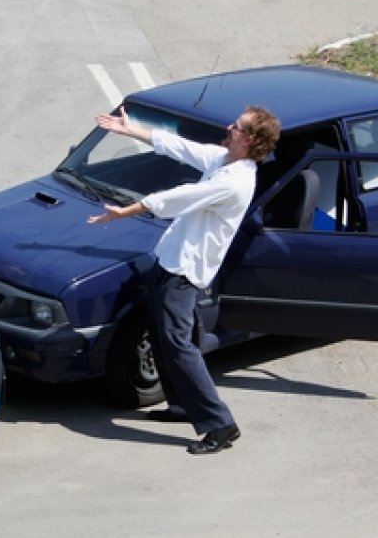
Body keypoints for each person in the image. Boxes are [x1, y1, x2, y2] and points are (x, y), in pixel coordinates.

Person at [87, 105, 280, 454]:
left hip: (185, 272)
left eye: (236, 126)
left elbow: (179, 198)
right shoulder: (224, 160)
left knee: (178, 344)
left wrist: (128, 211)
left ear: (249, 139)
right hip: (171, 260)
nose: (228, 126)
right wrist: (131, 131)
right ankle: (180, 406)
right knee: (166, 337)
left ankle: (220, 425)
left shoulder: (234, 181)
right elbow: (180, 146)